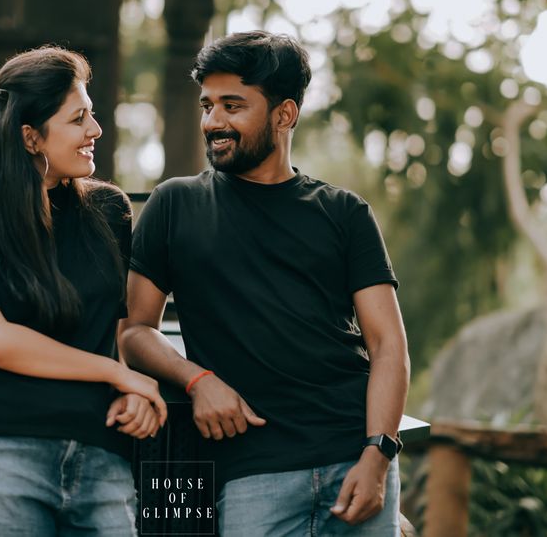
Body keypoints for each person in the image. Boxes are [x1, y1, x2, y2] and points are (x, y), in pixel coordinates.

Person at [121, 31, 411, 535]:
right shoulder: (175, 205)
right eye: (207, 105)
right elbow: (134, 331)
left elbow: (388, 345)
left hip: (353, 457)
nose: (214, 122)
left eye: (233, 106)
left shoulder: (344, 213)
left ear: (285, 115)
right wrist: (197, 379)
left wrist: (378, 455)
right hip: (252, 470)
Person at [0, 46, 166, 537]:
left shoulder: (110, 211)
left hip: (102, 452)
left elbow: (116, 331)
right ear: (30, 137)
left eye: (92, 115)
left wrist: (132, 389)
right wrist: (118, 375)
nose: (95, 131)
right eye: (79, 119)